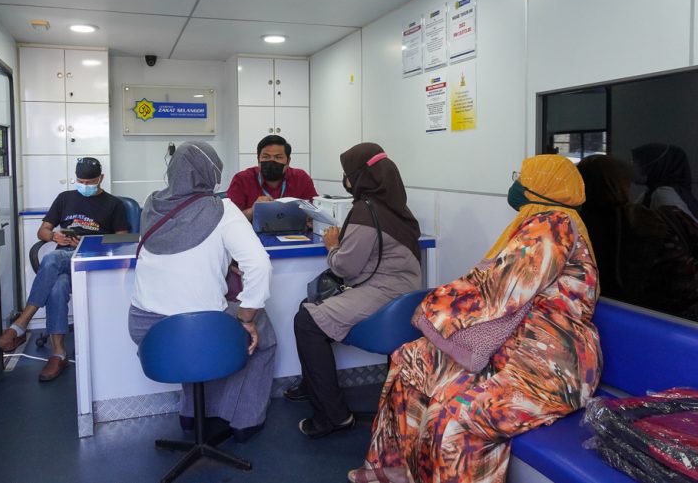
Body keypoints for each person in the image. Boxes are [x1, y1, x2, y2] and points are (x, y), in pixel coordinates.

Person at [347, 154, 602, 483]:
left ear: (541, 185)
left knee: (455, 418)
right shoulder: (539, 222)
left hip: (549, 366)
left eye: (521, 177)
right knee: (409, 361)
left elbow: (498, 290)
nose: (516, 184)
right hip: (511, 349)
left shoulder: (553, 227)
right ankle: (396, 468)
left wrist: (434, 306)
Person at [129, 141, 276, 442]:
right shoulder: (222, 209)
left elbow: (179, 246)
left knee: (191, 337)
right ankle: (244, 421)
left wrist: (221, 260)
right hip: (200, 329)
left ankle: (192, 414)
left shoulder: (151, 204)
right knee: (260, 335)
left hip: (148, 330)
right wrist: (247, 318)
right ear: (211, 175)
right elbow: (260, 266)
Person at [286, 142, 422, 439]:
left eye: (348, 174)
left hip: (384, 297)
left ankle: (333, 416)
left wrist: (333, 246)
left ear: (360, 177)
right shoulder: (396, 206)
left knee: (306, 322)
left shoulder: (365, 211)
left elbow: (345, 268)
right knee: (308, 306)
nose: (346, 180)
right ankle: (312, 386)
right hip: (407, 297)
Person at [0, 157, 129, 381]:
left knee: (51, 259)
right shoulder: (64, 198)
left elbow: (122, 240)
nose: (85, 185)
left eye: (90, 182)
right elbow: (42, 231)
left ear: (101, 178)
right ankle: (58, 354)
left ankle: (22, 323)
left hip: (90, 259)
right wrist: (54, 236)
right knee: (57, 285)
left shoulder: (113, 204)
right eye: (81, 181)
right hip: (64, 258)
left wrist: (87, 243)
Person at [578, 154, 698, 320]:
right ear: (622, 183)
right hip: (673, 317)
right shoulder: (653, 219)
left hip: (615, 316)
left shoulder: (576, 227)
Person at [227, 134, 317, 220]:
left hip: (295, 230)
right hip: (253, 231)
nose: (272, 161)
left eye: (278, 157)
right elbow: (228, 219)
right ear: (258, 159)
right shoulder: (241, 180)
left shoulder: (301, 178)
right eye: (266, 157)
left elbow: (315, 212)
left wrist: (311, 219)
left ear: (288, 161)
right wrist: (253, 210)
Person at [632, 143, 698, 222]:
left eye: (638, 164)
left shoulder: (663, 193)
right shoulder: (651, 192)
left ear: (657, 166)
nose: (633, 168)